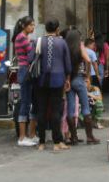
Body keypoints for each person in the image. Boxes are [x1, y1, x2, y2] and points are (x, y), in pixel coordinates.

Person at [32, 19, 72, 152]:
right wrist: (67, 79)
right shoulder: (62, 42)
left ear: (46, 29)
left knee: (41, 111)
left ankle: (42, 142)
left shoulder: (38, 41)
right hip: (58, 80)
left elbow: (31, 59)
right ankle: (57, 142)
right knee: (56, 111)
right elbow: (67, 64)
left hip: (41, 80)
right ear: (57, 29)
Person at [62, 27, 99, 145]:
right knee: (85, 108)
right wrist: (87, 76)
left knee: (71, 109)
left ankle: (73, 137)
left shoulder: (65, 47)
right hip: (79, 79)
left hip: (68, 80)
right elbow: (88, 60)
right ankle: (90, 137)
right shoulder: (80, 46)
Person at [11, 16, 38, 146]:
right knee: (26, 103)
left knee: (32, 102)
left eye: (33, 25)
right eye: (31, 25)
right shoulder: (21, 37)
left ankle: (31, 134)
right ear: (24, 26)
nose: (33, 27)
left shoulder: (24, 37)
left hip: (27, 71)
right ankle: (22, 137)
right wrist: (34, 45)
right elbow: (31, 55)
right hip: (25, 71)